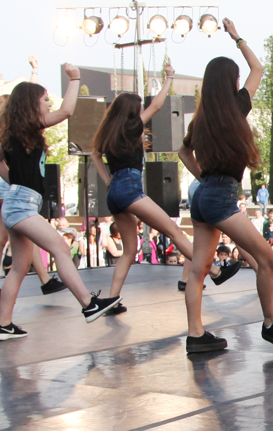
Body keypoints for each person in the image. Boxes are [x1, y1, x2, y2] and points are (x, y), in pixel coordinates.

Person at [178, 19, 273, 353]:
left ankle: (196, 335)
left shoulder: (201, 119)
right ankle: (270, 323)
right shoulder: (237, 107)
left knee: (199, 269)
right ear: (231, 83)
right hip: (220, 197)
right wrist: (236, 37)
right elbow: (257, 67)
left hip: (204, 196)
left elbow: (183, 151)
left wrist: (201, 177)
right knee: (267, 258)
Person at [91, 57, 241, 313]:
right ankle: (214, 270)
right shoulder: (131, 127)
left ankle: (110, 299)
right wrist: (169, 77)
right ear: (131, 112)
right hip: (129, 189)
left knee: (130, 249)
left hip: (115, 191)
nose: (140, 113)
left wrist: (107, 180)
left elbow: (94, 154)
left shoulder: (108, 131)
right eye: (137, 109)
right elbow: (158, 104)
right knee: (174, 231)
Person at [0, 67, 122, 340]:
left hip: (17, 204)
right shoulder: (28, 128)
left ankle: (4, 324)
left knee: (19, 266)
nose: (49, 103)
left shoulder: (14, 133)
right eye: (45, 99)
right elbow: (66, 112)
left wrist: (13, 180)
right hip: (22, 205)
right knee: (61, 247)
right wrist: (74, 79)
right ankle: (87, 304)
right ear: (32, 105)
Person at [0, 85, 68, 299]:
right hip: (12, 185)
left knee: (1, 238)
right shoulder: (18, 130)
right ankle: (44, 279)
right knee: (26, 230)